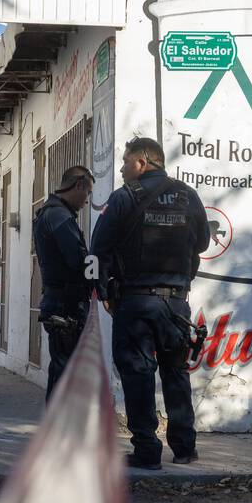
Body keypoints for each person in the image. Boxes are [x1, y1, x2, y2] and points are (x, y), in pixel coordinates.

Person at [90, 136, 209, 469]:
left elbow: (99, 247)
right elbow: (200, 243)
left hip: (136, 304)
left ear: (142, 162)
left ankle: (146, 450)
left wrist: (105, 293)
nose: (123, 168)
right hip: (176, 306)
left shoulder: (125, 197)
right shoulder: (189, 196)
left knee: (138, 374)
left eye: (126, 161)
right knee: (176, 372)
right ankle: (185, 448)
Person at [33, 165, 94, 400]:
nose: (86, 201)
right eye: (87, 193)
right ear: (78, 185)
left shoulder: (53, 212)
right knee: (66, 372)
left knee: (63, 369)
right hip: (65, 304)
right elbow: (77, 260)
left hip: (60, 301)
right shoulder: (59, 215)